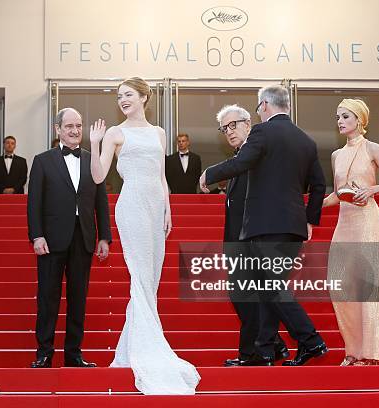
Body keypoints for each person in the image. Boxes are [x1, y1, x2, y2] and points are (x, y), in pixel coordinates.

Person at [200, 85, 327, 367]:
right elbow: (318, 185)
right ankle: (267, 350)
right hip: (293, 226)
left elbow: (242, 162)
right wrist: (309, 220)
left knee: (270, 288)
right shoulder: (306, 140)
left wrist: (209, 174)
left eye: (258, 108)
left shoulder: (261, 133)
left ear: (265, 105)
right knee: (271, 287)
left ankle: (310, 340)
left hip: (265, 227)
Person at [89, 77, 200, 395]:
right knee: (140, 278)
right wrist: (95, 143)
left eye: (128, 95)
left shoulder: (159, 133)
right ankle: (151, 352)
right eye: (119, 96)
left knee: (150, 281)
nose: (122, 100)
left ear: (143, 98)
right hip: (132, 204)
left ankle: (130, 351)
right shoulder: (114, 132)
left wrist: (168, 208)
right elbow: (99, 176)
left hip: (154, 206)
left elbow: (162, 176)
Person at [27, 107, 111, 369]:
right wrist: (37, 235)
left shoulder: (91, 158)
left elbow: (101, 201)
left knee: (78, 298)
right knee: (48, 297)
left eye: (79, 125)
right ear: (57, 130)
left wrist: (104, 237)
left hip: (83, 237)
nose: (75, 131)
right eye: (69, 126)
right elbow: (34, 204)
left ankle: (74, 354)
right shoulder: (42, 161)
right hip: (51, 239)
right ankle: (44, 353)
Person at [323, 99, 379, 366]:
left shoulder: (373, 148)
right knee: (340, 286)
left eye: (345, 116)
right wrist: (311, 207)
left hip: (368, 220)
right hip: (345, 222)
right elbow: (336, 193)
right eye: (338, 117)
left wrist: (372, 190)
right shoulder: (336, 155)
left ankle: (373, 353)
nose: (340, 121)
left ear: (359, 120)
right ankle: (353, 350)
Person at [213, 104, 289, 367]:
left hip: (254, 240)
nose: (229, 132)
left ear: (249, 124)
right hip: (238, 241)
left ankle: (255, 353)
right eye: (225, 128)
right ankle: (271, 345)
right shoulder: (242, 157)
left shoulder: (258, 155)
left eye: (234, 125)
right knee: (245, 296)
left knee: (248, 297)